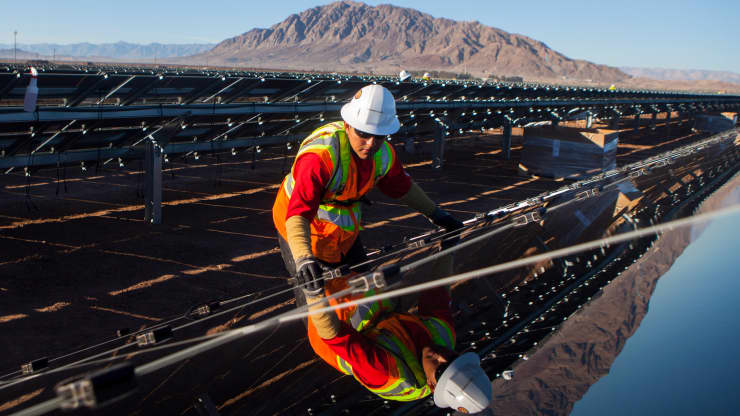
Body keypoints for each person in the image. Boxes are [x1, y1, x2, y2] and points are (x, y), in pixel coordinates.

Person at [272, 84, 492, 411]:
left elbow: (334, 337)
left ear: (433, 384)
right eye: (364, 133)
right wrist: (445, 233)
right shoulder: (321, 156)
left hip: (337, 327)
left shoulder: (391, 375)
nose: (372, 142)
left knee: (316, 287)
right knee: (325, 272)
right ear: (348, 124)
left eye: (381, 135)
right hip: (304, 230)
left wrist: (314, 291)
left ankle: (314, 287)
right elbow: (437, 294)